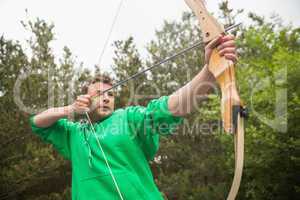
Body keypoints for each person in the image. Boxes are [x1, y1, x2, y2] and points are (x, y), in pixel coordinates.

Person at [30, 35, 237, 200]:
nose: (106, 98)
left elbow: (169, 108)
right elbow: (38, 123)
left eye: (110, 94)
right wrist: (70, 110)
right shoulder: (73, 133)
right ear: (85, 98)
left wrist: (210, 70)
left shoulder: (127, 117)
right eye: (98, 94)